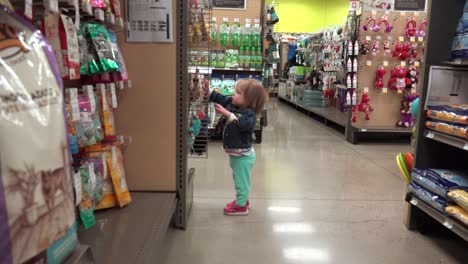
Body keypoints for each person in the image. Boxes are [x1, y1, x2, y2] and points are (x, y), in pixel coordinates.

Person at [204, 79, 266, 216]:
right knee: (238, 179)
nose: (233, 94)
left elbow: (243, 123)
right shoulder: (234, 105)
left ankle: (241, 206)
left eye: (238, 93)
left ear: (249, 100)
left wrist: (227, 114)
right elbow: (222, 99)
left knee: (241, 181)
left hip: (243, 157)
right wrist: (208, 91)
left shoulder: (249, 115)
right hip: (237, 155)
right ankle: (242, 200)